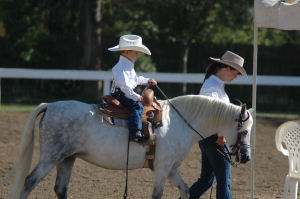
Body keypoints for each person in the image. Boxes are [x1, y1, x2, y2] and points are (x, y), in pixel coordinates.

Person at [189, 51, 248, 199]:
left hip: (208, 137)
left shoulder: (214, 85)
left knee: (206, 181)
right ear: (227, 69)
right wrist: (221, 135)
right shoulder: (212, 87)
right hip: (215, 138)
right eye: (235, 72)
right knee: (224, 180)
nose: (236, 77)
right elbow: (212, 114)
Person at [108, 34, 157, 142]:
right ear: (126, 52)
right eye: (136, 52)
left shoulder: (128, 66)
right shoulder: (119, 68)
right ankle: (135, 132)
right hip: (120, 93)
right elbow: (125, 87)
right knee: (138, 106)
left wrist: (147, 80)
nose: (138, 55)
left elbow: (135, 80)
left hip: (125, 92)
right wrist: (136, 96)